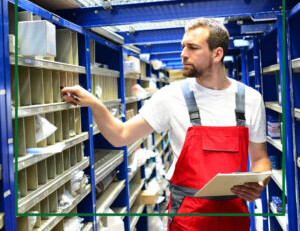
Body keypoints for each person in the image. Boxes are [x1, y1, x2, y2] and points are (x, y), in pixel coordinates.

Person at [62, 18, 271, 231]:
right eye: (183, 47)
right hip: (188, 215)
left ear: (217, 54)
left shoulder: (250, 99)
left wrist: (259, 184)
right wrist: (94, 103)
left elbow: (261, 159)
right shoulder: (172, 96)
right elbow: (120, 135)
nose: (183, 53)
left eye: (193, 47)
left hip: (233, 214)